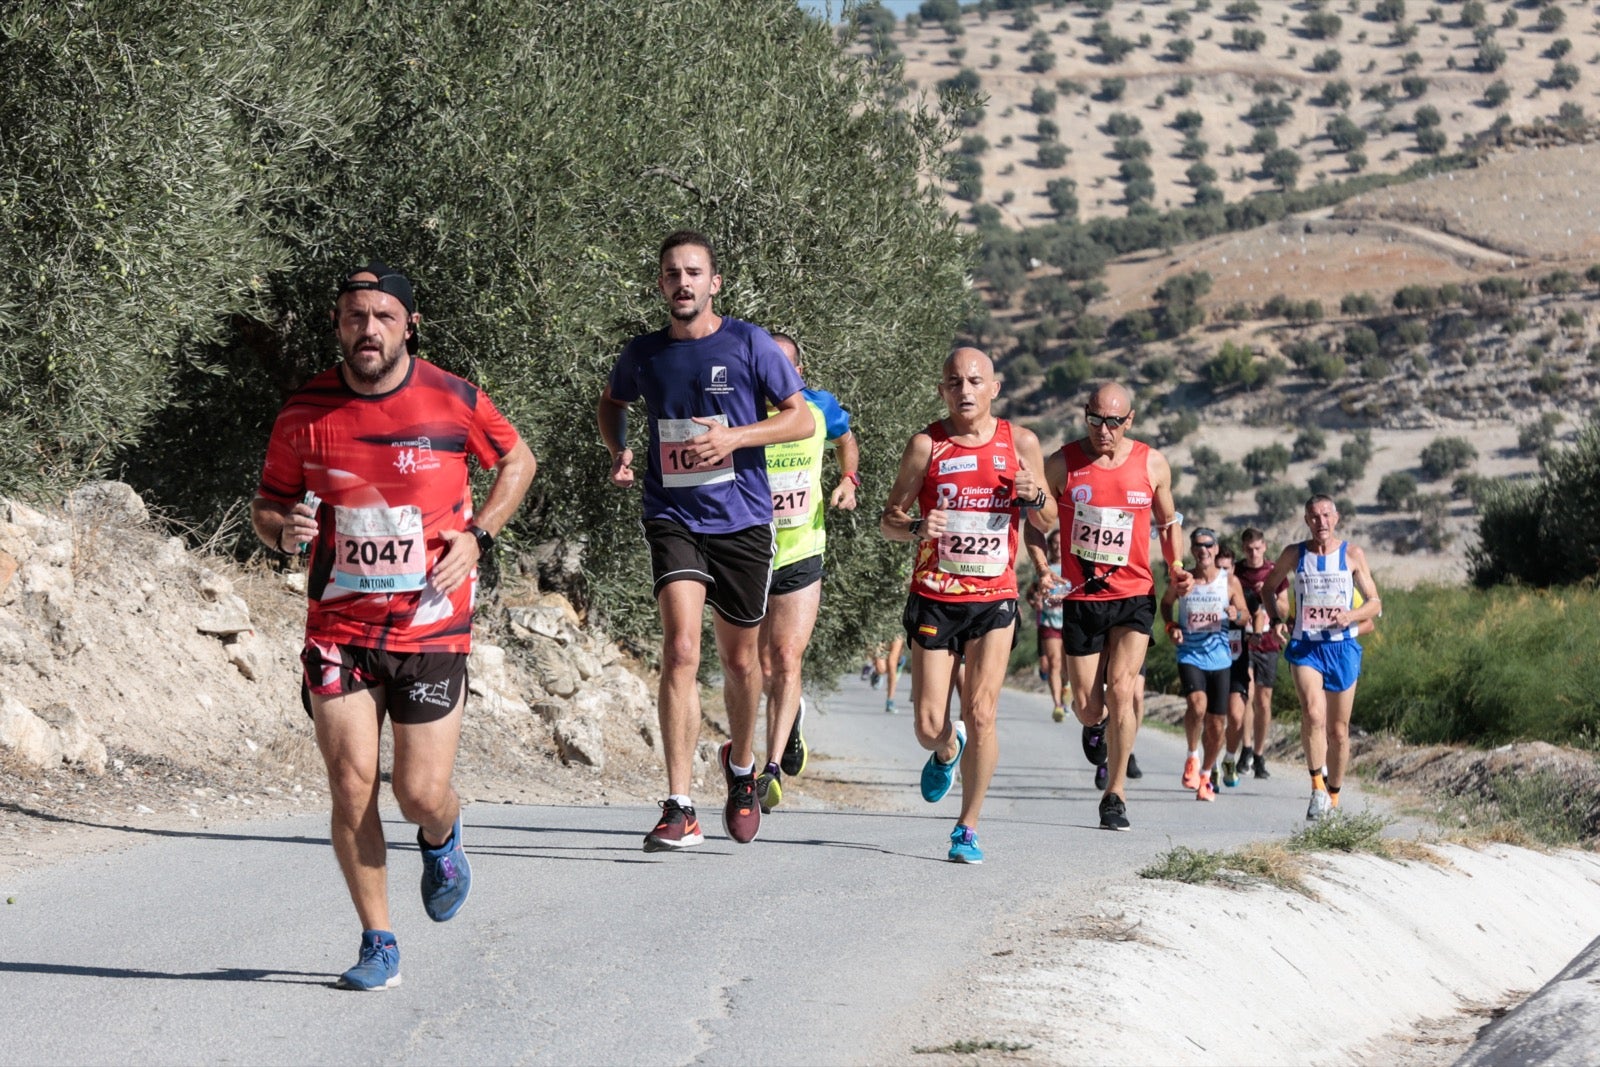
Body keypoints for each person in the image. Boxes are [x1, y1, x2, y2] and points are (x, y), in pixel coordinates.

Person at [251, 262, 536, 991]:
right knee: (351, 788)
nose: (367, 329)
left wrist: (480, 534)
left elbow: (518, 461)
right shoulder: (305, 412)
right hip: (338, 628)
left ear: (409, 323)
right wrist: (286, 533)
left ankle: (441, 837)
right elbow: (268, 507)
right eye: (354, 316)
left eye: (382, 315)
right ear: (338, 325)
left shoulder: (453, 398)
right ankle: (378, 938)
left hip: (431, 629)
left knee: (417, 792)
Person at [597, 230, 814, 851]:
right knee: (682, 647)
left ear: (714, 283)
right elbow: (610, 402)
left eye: (694, 273)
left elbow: (798, 416)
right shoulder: (644, 353)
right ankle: (678, 805)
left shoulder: (748, 343)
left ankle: (742, 772)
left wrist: (735, 439)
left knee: (741, 661)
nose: (682, 283)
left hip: (743, 520)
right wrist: (619, 449)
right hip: (672, 514)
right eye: (672, 274)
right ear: (660, 284)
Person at [880, 348, 1055, 863]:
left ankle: (968, 827)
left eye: (975, 381)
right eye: (954, 382)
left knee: (982, 711)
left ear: (994, 388)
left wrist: (1036, 497)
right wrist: (913, 526)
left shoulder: (1020, 443)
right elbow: (888, 520)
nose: (965, 390)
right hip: (935, 595)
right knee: (928, 725)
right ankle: (945, 749)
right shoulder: (926, 445)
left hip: (994, 597)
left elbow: (1048, 526)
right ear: (942, 390)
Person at [1031, 382, 1191, 831]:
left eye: (1114, 422)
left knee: (1123, 689)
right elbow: (1034, 525)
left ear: (1130, 420)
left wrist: (1176, 566)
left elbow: (1168, 521)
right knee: (1087, 706)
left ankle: (1114, 794)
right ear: (1086, 415)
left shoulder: (1152, 463)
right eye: (1096, 420)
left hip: (1134, 595)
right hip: (1082, 599)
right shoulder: (1062, 464)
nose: (1104, 430)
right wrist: (1044, 568)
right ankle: (1094, 725)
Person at [755, 332, 859, 812]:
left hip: (802, 549)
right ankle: (789, 720)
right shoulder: (742, 409)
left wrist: (848, 479)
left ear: (799, 373)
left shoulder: (818, 407)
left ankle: (770, 768)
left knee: (786, 656)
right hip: (749, 554)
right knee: (761, 667)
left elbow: (845, 439)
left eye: (785, 367)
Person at [1259, 496, 1382, 820]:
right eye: (1314, 517)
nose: (1321, 522)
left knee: (1338, 732)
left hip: (1342, 648)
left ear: (1336, 518)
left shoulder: (1353, 554)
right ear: (1306, 520)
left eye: (1326, 515)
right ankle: (1316, 789)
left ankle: (1333, 798)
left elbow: (1375, 604)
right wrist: (1275, 620)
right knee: (1313, 714)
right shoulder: (1294, 554)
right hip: (1305, 647)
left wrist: (1351, 615)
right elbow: (1268, 588)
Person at [1161, 530, 1250, 801]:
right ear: (1192, 551)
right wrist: (1171, 625)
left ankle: (1207, 776)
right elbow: (1165, 605)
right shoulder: (1183, 580)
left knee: (1217, 724)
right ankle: (1192, 756)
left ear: (1216, 548)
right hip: (1190, 654)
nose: (1203, 550)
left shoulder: (1230, 582)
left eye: (1208, 545)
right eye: (1198, 546)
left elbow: (1246, 615)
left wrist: (1238, 615)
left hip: (1221, 659)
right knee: (1197, 705)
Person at [1232, 527, 1284, 780]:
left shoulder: (1275, 572)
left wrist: (1269, 593)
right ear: (1244, 549)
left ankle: (1260, 753)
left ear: (1264, 547)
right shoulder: (1236, 573)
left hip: (1268, 643)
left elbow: (1284, 607)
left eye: (1258, 548)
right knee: (1247, 694)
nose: (1253, 553)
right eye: (1249, 549)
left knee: (1263, 701)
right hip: (1244, 641)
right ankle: (1247, 747)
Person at [1213, 542, 1254, 789]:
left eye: (1226, 569)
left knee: (1237, 717)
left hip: (1237, 662)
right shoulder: (1204, 589)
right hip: (1211, 661)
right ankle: (1212, 765)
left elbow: (1252, 613)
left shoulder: (1240, 591)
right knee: (1215, 720)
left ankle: (1229, 758)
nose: (1222, 575)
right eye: (1218, 569)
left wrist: (1237, 616)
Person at [1032, 530, 1068, 723]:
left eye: (1060, 543)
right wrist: (1036, 601)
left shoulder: (1073, 567)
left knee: (1067, 665)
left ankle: (1067, 689)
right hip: (1049, 622)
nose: (1057, 547)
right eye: (1053, 543)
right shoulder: (1044, 569)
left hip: (1070, 622)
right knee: (1054, 662)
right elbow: (1032, 593)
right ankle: (1058, 705)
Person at [875, 633, 907, 714]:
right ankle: (877, 673)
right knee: (881, 669)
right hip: (881, 631)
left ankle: (890, 701)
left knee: (892, 663)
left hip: (897, 630)